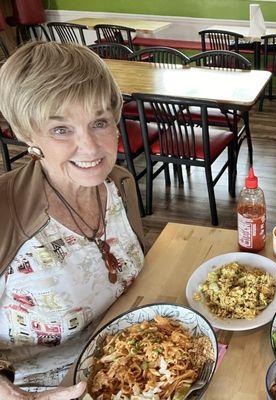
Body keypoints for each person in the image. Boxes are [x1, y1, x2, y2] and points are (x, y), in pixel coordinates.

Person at [0, 42, 145, 398]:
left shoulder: (119, 185)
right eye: (61, 129)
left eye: (99, 122)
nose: (91, 148)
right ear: (28, 133)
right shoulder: (4, 212)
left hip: (134, 371)